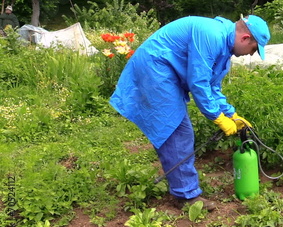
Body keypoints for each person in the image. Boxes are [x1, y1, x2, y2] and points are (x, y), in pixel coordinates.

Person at [109, 15, 271, 211]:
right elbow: (199, 83)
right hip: (156, 67)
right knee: (176, 130)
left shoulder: (223, 49)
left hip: (166, 71)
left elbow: (213, 87)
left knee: (177, 130)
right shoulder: (212, 35)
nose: (250, 55)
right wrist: (217, 118)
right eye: (254, 49)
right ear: (245, 38)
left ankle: (179, 183)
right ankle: (185, 196)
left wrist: (231, 114)